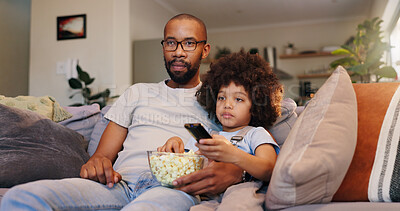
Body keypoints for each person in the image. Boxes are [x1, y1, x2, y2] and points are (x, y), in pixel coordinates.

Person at [0, 14, 244, 211]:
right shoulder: (136, 93)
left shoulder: (220, 100)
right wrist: (97, 165)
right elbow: (101, 156)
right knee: (23, 196)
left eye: (189, 43)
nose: (178, 52)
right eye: (171, 42)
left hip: (173, 189)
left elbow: (242, 148)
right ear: (164, 47)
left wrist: (235, 170)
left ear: (205, 50)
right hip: (117, 185)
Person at [158, 50, 283, 210]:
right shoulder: (208, 134)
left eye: (238, 99)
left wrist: (234, 155)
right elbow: (187, 163)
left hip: (240, 191)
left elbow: (268, 169)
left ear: (256, 106)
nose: (227, 104)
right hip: (204, 194)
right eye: (221, 97)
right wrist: (175, 143)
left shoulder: (255, 133)